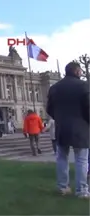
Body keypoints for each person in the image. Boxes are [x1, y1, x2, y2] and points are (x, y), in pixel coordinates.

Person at [47, 61, 90, 198]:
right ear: (77, 71)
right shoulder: (84, 86)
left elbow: (49, 109)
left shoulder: (54, 88)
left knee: (61, 158)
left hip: (61, 127)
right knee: (81, 160)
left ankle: (62, 187)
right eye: (81, 71)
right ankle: (81, 190)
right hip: (81, 127)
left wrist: (59, 118)